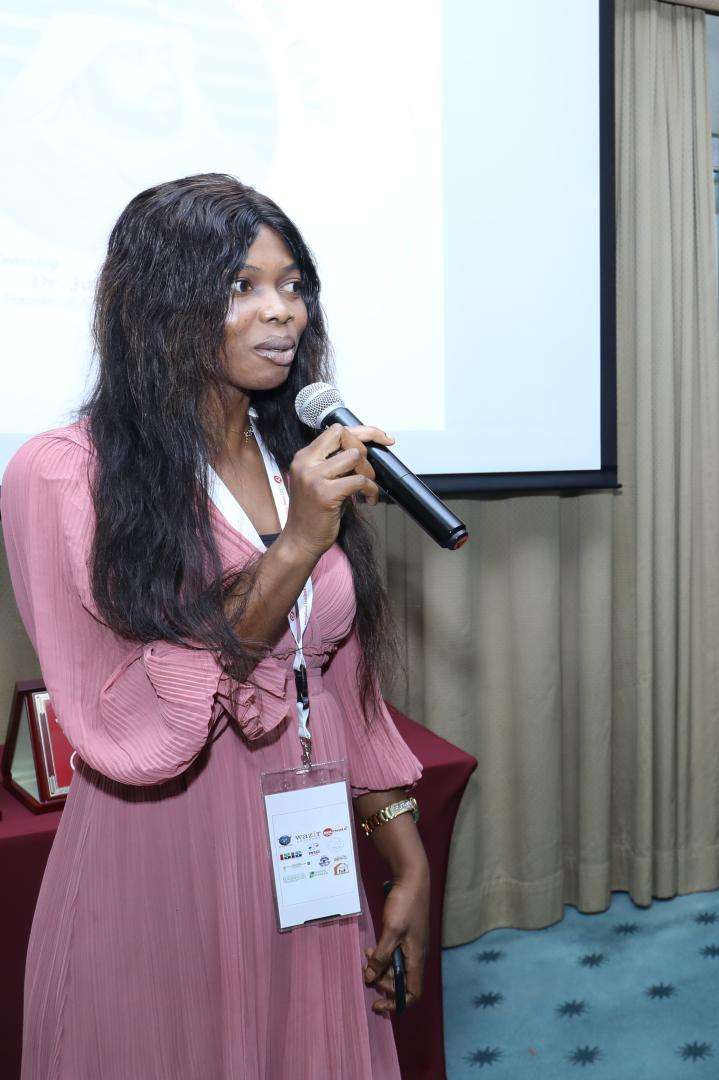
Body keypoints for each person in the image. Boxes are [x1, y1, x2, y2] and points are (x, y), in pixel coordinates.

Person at [2, 174, 430, 1078]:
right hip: (166, 856)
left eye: (293, 285)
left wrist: (404, 852)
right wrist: (296, 544)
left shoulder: (295, 454)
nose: (283, 312)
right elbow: (129, 713)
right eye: (243, 286)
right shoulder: (63, 474)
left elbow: (333, 675)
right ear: (160, 303)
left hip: (308, 850)